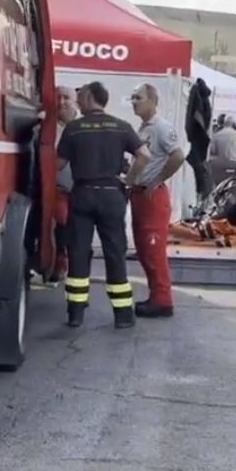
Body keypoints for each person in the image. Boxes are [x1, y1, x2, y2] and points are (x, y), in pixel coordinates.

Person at [56, 81, 142, 329]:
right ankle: (123, 315)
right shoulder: (121, 126)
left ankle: (75, 314)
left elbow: (58, 165)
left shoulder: (74, 128)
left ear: (91, 97)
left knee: (78, 252)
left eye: (80, 96)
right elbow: (144, 155)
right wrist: (129, 180)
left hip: (83, 194)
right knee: (115, 253)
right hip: (112, 195)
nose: (77, 101)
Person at [127, 83, 186, 318]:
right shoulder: (143, 129)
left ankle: (163, 300)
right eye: (133, 97)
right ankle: (155, 296)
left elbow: (178, 155)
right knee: (143, 249)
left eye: (138, 97)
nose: (134, 102)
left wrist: (157, 179)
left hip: (152, 196)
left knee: (153, 250)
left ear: (153, 101)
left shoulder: (161, 128)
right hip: (140, 194)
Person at [50, 86, 80, 282]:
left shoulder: (84, 127)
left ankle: (77, 267)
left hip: (80, 190)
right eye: (58, 97)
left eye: (66, 98)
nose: (61, 102)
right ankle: (59, 264)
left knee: (78, 231)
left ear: (75, 102)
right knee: (61, 227)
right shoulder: (47, 129)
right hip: (58, 190)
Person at [185, 78, 214, 202]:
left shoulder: (196, 95)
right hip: (200, 141)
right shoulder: (204, 99)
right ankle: (201, 194)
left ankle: (199, 193)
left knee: (196, 166)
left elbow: (195, 120)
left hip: (196, 140)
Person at [207, 115, 236, 189]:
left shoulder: (216, 135)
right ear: (233, 124)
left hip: (218, 166)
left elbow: (212, 151)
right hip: (233, 164)